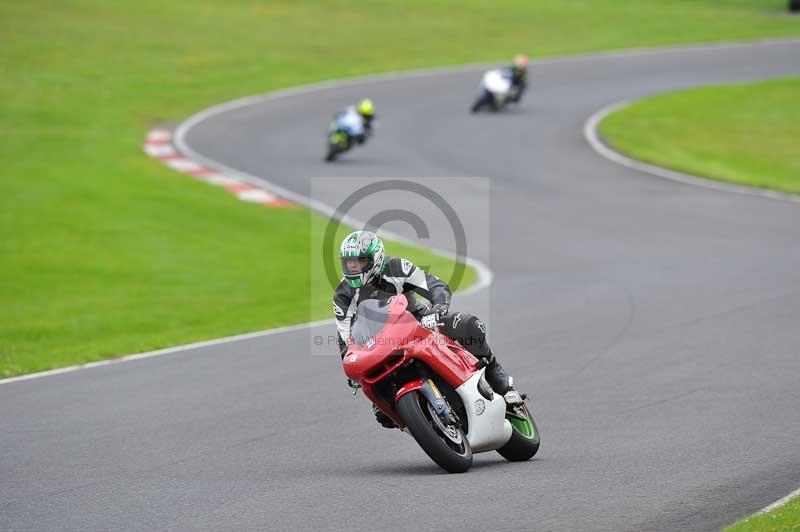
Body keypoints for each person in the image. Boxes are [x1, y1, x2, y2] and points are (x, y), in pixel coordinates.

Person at [332, 230, 516, 428]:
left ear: (375, 258)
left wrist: (437, 309)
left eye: (359, 261)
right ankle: (413, 418)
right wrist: (350, 363)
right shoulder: (343, 294)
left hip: (417, 324)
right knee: (381, 411)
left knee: (468, 325)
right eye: (348, 263)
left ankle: (496, 372)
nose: (353, 267)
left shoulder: (396, 267)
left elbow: (434, 285)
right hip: (379, 345)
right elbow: (345, 335)